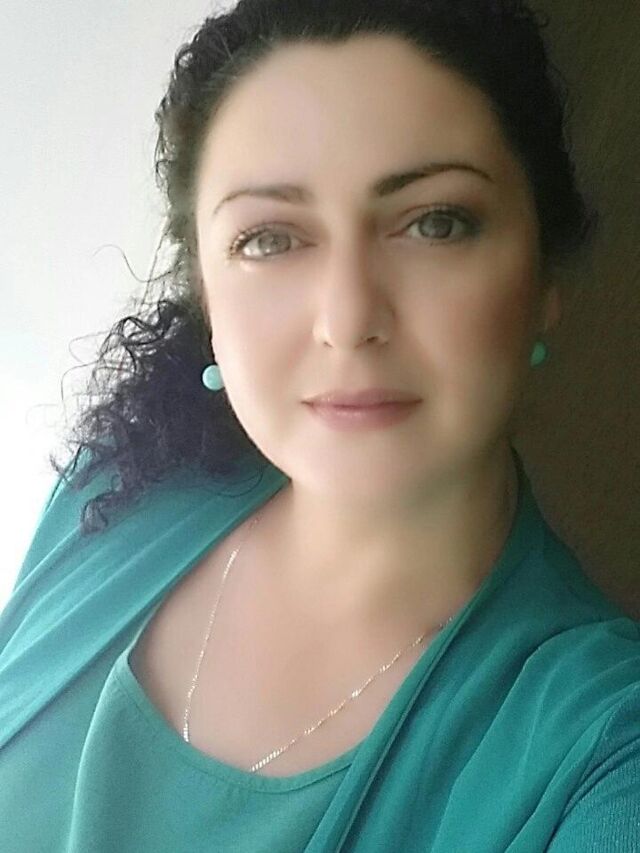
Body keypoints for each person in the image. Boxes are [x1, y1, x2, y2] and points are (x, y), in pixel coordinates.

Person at [1, 0, 638, 850]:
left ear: (543, 278)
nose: (347, 318)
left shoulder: (605, 754)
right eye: (270, 239)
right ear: (206, 294)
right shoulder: (112, 487)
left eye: (435, 222)